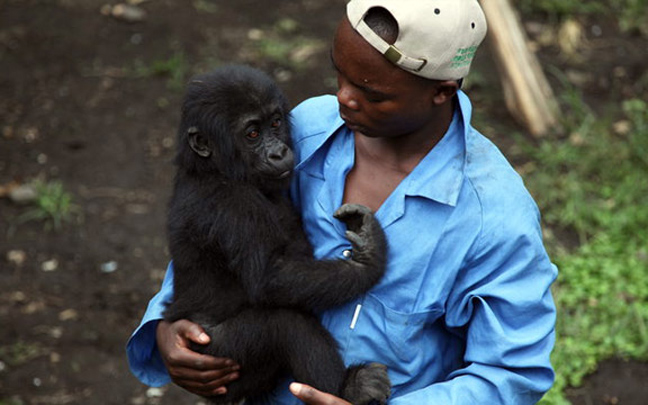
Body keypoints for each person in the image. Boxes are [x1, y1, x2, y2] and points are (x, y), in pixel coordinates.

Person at [127, 0, 558, 403]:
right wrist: (166, 327)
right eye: (340, 75)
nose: (343, 99)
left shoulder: (493, 218)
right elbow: (222, 231)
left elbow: (512, 375)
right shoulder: (310, 131)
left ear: (442, 92)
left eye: (371, 93)